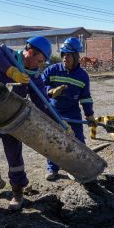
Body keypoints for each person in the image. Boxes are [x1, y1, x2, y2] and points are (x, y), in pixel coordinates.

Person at [0, 36, 55, 210]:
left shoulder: (34, 76)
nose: (40, 64)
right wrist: (11, 71)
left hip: (12, 120)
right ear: (30, 52)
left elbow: (43, 102)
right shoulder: (7, 55)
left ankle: (17, 193)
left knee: (14, 155)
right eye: (39, 60)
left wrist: (60, 124)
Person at [41, 37, 96, 181]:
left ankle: (78, 168)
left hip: (72, 112)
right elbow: (39, 85)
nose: (66, 58)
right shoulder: (52, 70)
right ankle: (52, 168)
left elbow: (85, 97)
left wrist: (89, 115)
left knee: (78, 141)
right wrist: (51, 91)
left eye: (69, 55)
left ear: (77, 56)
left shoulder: (83, 76)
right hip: (54, 112)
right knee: (52, 140)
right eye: (64, 54)